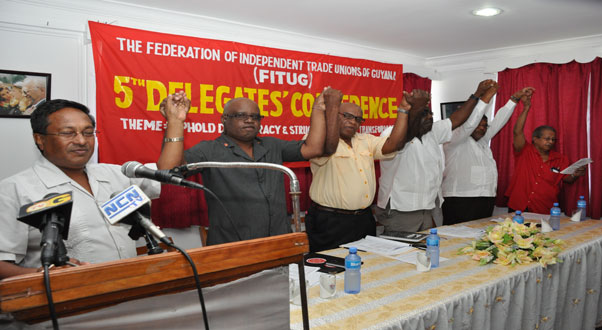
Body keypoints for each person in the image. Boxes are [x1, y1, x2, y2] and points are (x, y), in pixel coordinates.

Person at [0, 99, 160, 280]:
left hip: (128, 288)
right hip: (65, 299)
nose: (81, 141)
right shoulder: (14, 190)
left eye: (88, 132)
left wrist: (175, 122)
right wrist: (46, 275)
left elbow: (163, 173)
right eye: (68, 133)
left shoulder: (114, 174)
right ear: (40, 139)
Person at [157, 89, 337, 245]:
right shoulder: (209, 150)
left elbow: (313, 148)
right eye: (241, 116)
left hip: (279, 241)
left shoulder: (271, 145)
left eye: (255, 116)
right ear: (224, 119)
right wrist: (176, 121)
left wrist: (318, 109)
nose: (249, 120)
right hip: (233, 248)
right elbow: (167, 170)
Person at [305, 89, 429, 252]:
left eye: (357, 119)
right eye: (347, 116)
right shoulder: (317, 139)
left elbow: (395, 144)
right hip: (330, 221)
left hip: (363, 219)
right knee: (331, 271)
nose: (352, 122)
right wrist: (332, 106)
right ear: (334, 115)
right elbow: (328, 149)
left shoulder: (366, 140)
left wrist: (403, 109)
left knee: (367, 266)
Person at [375, 80, 497, 233]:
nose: (430, 118)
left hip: (428, 207)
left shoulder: (432, 133)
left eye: (431, 114)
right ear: (409, 115)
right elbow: (400, 140)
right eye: (424, 114)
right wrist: (415, 107)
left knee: (424, 251)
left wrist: (477, 95)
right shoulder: (391, 134)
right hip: (401, 209)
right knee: (400, 253)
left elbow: (457, 119)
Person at [441, 87, 535, 225]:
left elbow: (499, 121)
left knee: (479, 239)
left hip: (486, 198)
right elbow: (470, 123)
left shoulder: (483, 141)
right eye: (478, 125)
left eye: (485, 126)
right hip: (461, 199)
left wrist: (514, 99)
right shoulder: (455, 139)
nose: (482, 128)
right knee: (457, 239)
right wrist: (485, 98)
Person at [505, 92, 587, 214]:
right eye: (547, 139)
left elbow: (567, 180)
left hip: (543, 208)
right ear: (535, 139)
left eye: (553, 139)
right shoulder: (524, 151)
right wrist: (526, 107)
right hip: (518, 206)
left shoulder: (561, 159)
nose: (550, 142)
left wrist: (576, 174)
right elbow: (517, 132)